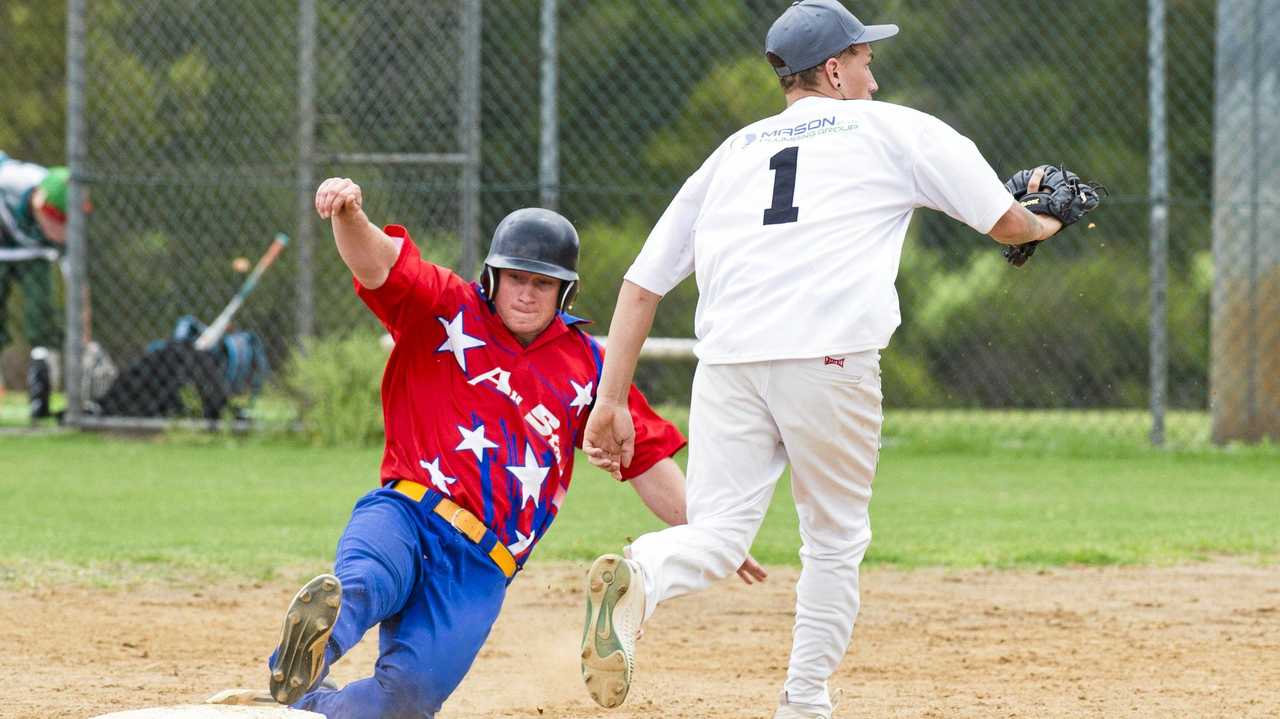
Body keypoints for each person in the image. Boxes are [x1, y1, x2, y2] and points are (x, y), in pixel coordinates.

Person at [578, 2, 1095, 718]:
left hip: (727, 361)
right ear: (832, 70)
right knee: (835, 538)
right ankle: (804, 700)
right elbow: (1006, 221)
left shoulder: (730, 154)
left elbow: (641, 285)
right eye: (864, 61)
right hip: (828, 358)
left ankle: (640, 572)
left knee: (717, 536)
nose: (873, 79)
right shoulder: (894, 129)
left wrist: (609, 402)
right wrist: (1050, 220)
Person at [209, 176, 764, 718]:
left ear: (564, 291)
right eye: (515, 277)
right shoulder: (447, 308)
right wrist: (350, 215)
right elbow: (377, 265)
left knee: (406, 702)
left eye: (542, 283)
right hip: (407, 511)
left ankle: (302, 705)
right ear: (491, 277)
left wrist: (710, 534)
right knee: (362, 583)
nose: (526, 292)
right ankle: (305, 656)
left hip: (481, 568)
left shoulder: (590, 365)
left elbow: (644, 459)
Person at [0, 153, 86, 420]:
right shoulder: (12, 181)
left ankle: (42, 392)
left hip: (34, 256)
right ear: (41, 205)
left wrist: (85, 341)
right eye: (60, 219)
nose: (65, 229)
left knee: (41, 318)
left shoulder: (62, 236)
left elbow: (79, 286)